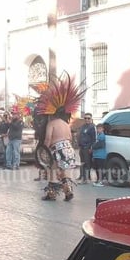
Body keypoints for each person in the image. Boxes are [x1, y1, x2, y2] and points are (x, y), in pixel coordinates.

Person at [37, 73, 85, 201]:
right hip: (68, 148)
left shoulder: (52, 123)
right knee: (66, 172)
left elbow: (48, 139)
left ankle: (51, 194)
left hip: (57, 148)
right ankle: (67, 191)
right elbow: (69, 138)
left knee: (52, 171)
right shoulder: (66, 124)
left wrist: (43, 152)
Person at [77, 113, 96, 183]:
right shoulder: (83, 126)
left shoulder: (92, 127)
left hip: (87, 148)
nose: (87, 119)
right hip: (81, 147)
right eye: (85, 118)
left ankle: (86, 178)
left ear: (91, 119)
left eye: (88, 118)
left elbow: (94, 139)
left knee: (87, 163)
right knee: (82, 162)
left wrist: (91, 148)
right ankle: (81, 176)